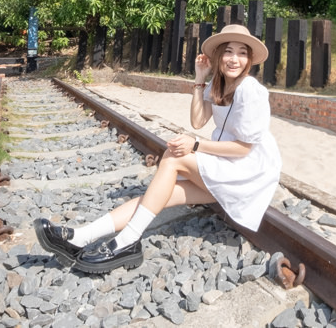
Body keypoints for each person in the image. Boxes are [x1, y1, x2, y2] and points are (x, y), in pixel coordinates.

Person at [34, 24, 282, 274]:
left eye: (242, 53)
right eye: (228, 52)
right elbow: (198, 121)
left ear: (249, 59)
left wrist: (195, 144)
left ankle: (128, 241)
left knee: (174, 158)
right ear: (218, 56)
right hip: (228, 165)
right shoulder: (218, 84)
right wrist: (199, 78)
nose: (234, 59)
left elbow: (244, 149)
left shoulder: (251, 90)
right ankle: (81, 237)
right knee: (154, 198)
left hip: (249, 172)